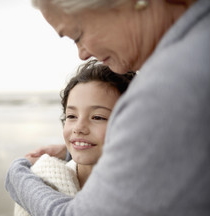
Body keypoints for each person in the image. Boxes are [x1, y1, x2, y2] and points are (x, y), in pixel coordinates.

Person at [5, 0, 210, 215]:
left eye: (77, 35)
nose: (82, 54)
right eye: (71, 116)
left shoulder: (171, 87)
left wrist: (16, 174)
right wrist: (74, 151)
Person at [14, 60, 135, 216]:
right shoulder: (44, 177)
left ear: (132, 124)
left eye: (98, 117)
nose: (78, 128)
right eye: (71, 116)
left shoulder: (143, 192)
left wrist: (16, 170)